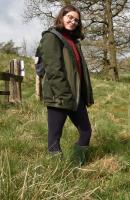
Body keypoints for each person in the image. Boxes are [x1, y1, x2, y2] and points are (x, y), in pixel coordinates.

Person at [39, 5, 94, 166]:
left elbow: (79, 72)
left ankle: (76, 165)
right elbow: (53, 70)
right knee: (54, 138)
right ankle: (57, 172)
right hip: (59, 96)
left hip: (77, 98)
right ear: (61, 17)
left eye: (76, 20)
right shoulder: (51, 37)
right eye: (70, 17)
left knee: (86, 131)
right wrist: (64, 95)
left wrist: (85, 95)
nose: (73, 21)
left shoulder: (74, 41)